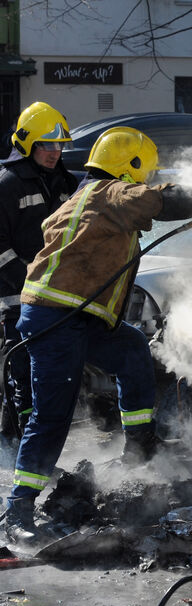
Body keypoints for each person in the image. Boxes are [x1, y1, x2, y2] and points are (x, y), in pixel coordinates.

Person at [3, 126, 192, 542]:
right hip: (56, 319)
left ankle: (141, 442)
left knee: (132, 348)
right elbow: (158, 198)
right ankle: (18, 509)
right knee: (52, 415)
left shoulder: (84, 196)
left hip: (77, 317)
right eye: (143, 172)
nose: (145, 180)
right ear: (130, 168)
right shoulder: (109, 193)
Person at [0, 102, 78, 442]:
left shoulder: (65, 182)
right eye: (47, 144)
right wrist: (30, 276)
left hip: (55, 298)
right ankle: (23, 446)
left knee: (47, 377)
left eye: (59, 144)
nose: (55, 152)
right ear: (28, 144)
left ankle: (22, 442)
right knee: (23, 373)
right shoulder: (8, 185)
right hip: (18, 297)